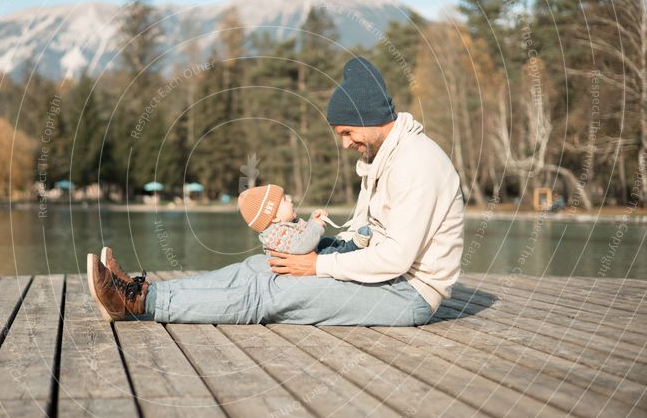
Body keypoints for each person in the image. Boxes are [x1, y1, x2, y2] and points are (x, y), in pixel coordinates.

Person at [87, 56, 464, 326]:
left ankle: (137, 305)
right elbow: (365, 233)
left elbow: (397, 258)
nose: (346, 144)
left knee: (270, 293)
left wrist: (316, 265)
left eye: (348, 133)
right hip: (379, 273)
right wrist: (319, 249)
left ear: (369, 119)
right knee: (260, 266)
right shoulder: (383, 157)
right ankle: (143, 289)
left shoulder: (417, 164)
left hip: (407, 293)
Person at [237, 184, 372, 256]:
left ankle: (343, 243)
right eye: (284, 200)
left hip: (306, 253)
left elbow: (303, 234)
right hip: (301, 261)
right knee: (327, 253)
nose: (290, 200)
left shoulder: (284, 225)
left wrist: (313, 220)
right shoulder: (276, 236)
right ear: (275, 217)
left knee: (326, 241)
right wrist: (315, 226)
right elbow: (302, 246)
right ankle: (352, 247)